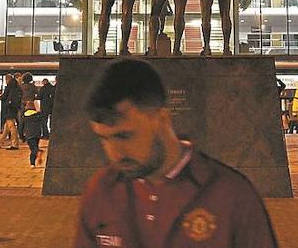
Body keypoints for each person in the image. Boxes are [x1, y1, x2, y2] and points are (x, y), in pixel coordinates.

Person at [74, 59, 278, 248]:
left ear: (162, 119)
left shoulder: (231, 195)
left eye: (124, 136)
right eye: (103, 138)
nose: (115, 154)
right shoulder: (102, 190)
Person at [0, 73, 21, 149]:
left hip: (9, 108)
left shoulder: (9, 87)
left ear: (7, 80)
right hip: (14, 108)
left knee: (11, 126)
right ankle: (0, 142)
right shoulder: (17, 87)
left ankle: (15, 144)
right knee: (7, 126)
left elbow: (5, 96)